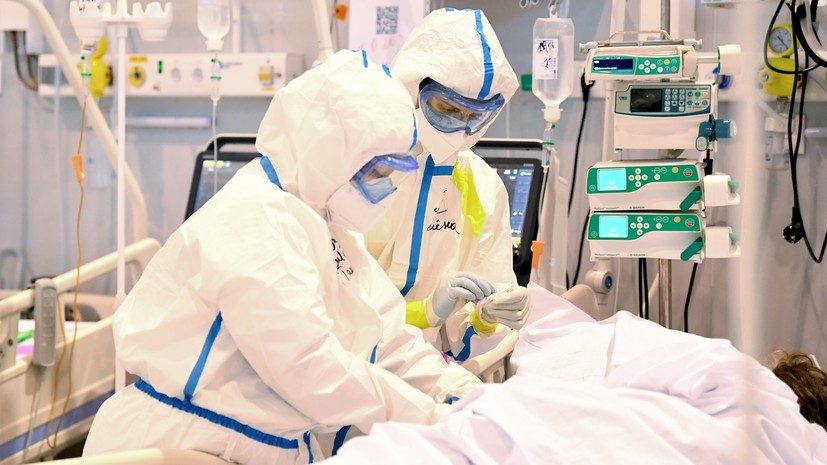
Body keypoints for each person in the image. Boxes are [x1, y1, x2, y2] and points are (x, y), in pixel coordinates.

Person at [82, 49, 482, 465]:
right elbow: (309, 368)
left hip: (254, 446)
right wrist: (428, 414)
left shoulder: (327, 225)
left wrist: (459, 390)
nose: (386, 189)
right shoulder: (256, 220)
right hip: (185, 443)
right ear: (330, 153)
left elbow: (386, 337)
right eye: (377, 173)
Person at [365, 8, 530, 361]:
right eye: (448, 108)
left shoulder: (483, 187)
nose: (460, 127)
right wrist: (422, 312)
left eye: (476, 115)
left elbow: (478, 314)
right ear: (413, 88)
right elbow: (333, 300)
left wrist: (486, 319)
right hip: (350, 355)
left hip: (426, 366)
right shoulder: (363, 165)